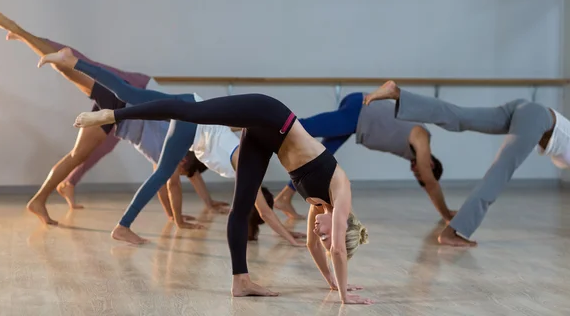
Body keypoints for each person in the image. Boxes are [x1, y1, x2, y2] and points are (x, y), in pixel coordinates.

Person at [58, 56, 372, 303]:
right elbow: (337, 251)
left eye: (325, 238)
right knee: (189, 111)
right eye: (329, 236)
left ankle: (241, 281)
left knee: (240, 207)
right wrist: (345, 296)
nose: (322, 238)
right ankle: (112, 115)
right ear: (343, 224)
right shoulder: (340, 188)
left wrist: (332, 283)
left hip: (266, 141)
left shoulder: (320, 208)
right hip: (271, 115)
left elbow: (313, 247)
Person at [0, 12, 229, 226]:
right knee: (68, 65)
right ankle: (19, 31)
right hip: (120, 102)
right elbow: (172, 187)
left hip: (115, 116)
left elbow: (165, 188)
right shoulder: (175, 150)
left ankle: (38, 200)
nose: (182, 171)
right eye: (185, 168)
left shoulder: (166, 157)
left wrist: (178, 216)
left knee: (76, 155)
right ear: (187, 158)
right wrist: (178, 221)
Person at [364, 80, 568, 247]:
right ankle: (454, 231)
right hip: (537, 117)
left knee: (460, 116)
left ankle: (397, 93)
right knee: (500, 171)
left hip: (527, 110)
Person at [279, 91, 454, 222]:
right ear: (430, 164)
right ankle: (261, 125)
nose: (415, 170)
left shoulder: (412, 153)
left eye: (416, 174)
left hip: (358, 119)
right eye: (419, 172)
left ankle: (284, 198)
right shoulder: (422, 137)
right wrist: (446, 214)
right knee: (302, 128)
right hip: (359, 109)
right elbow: (430, 183)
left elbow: (427, 183)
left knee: (321, 156)